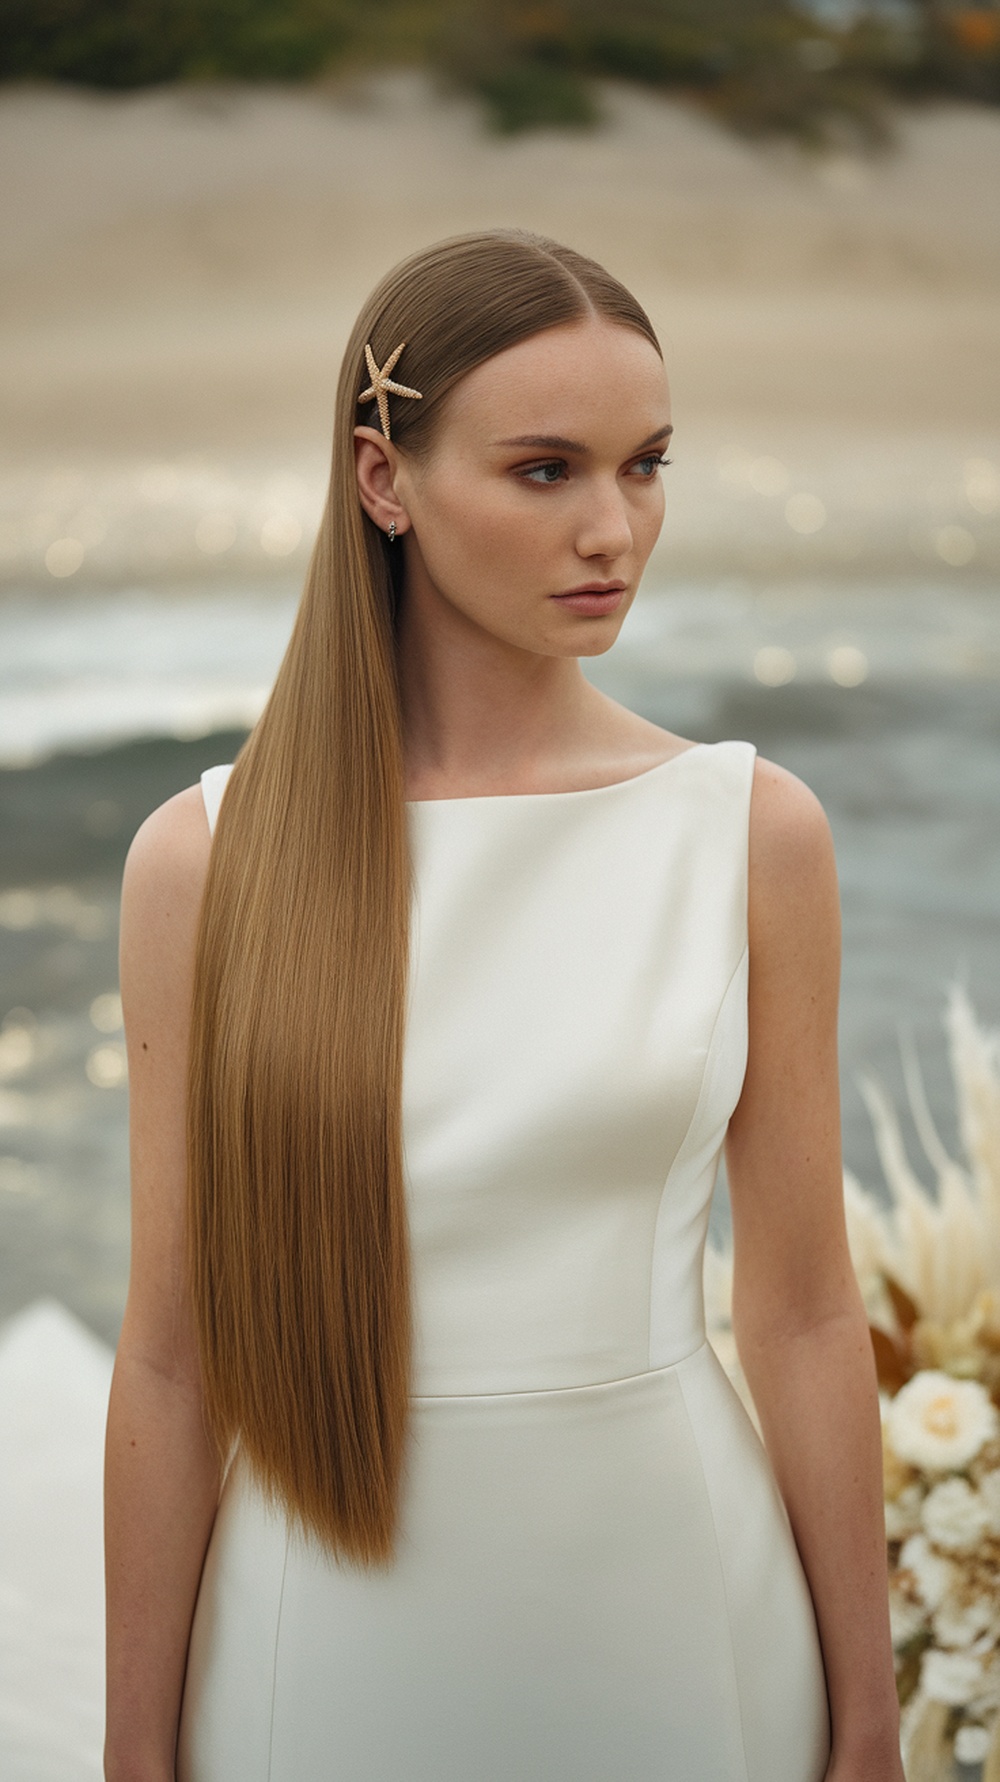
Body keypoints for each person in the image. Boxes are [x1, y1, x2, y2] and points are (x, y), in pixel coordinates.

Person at [104, 227, 904, 1782]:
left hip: (683, 1607)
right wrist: (137, 1749)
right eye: (547, 470)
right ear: (382, 477)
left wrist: (872, 1720)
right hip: (320, 1632)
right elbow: (175, 1352)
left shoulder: (750, 832)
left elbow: (804, 1311)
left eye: (649, 465)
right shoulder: (204, 861)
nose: (617, 527)